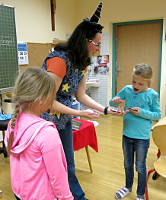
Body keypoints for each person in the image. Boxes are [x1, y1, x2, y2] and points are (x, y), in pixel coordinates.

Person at [41, 2, 119, 200]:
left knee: (68, 161)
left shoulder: (82, 62)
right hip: (43, 119)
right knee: (48, 162)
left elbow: (81, 95)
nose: (98, 48)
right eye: (97, 44)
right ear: (85, 41)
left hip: (64, 117)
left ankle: (75, 195)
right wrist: (79, 113)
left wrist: (106, 109)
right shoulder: (58, 61)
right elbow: (48, 101)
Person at [5, 67, 73, 200]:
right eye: (52, 96)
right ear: (42, 99)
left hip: (19, 193)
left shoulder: (13, 122)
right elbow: (57, 176)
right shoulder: (47, 133)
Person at [109, 63, 161, 200]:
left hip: (142, 138)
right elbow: (112, 102)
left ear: (148, 82)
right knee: (127, 164)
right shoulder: (127, 90)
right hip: (127, 135)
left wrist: (141, 112)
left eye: (140, 84)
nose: (136, 86)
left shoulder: (153, 95)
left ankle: (140, 194)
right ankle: (127, 187)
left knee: (140, 166)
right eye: (133, 82)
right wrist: (115, 101)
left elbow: (157, 115)